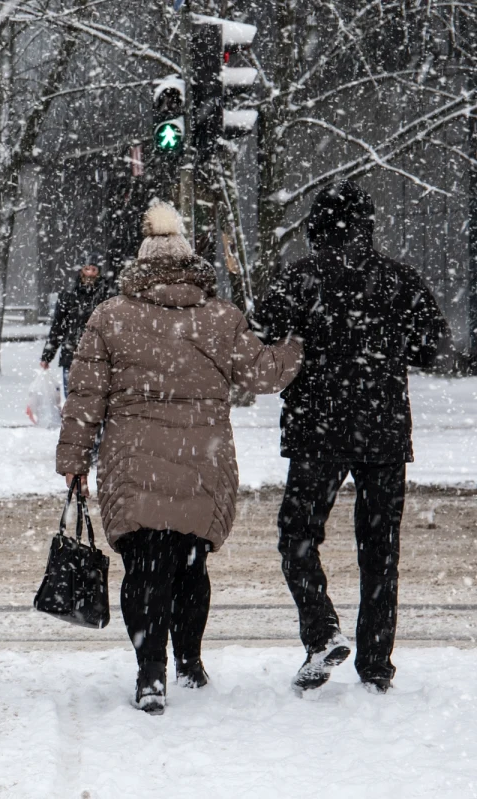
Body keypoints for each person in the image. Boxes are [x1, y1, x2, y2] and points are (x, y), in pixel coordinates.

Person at [57, 202, 303, 715]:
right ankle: (190, 661)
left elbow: (85, 398)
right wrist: (296, 344)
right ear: (191, 265)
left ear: (140, 265)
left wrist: (75, 462)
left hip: (133, 460)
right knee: (191, 566)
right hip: (203, 459)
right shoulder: (220, 318)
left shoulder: (110, 316)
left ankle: (151, 673)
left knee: (144, 569)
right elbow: (262, 375)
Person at [252, 181, 449, 696]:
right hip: (382, 428)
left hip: (317, 428)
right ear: (367, 224)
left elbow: (260, 331)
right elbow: (431, 348)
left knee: (297, 533)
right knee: (380, 548)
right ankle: (376, 665)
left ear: (317, 227)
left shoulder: (300, 279)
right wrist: (384, 346)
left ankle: (321, 630)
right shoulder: (398, 280)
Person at [41, 262, 108, 393]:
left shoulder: (107, 296)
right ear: (81, 271)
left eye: (93, 270)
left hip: (99, 356)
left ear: (98, 272)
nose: (89, 273)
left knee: (96, 398)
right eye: (86, 269)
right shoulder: (68, 296)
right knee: (71, 395)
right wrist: (47, 356)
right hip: (71, 355)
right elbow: (58, 326)